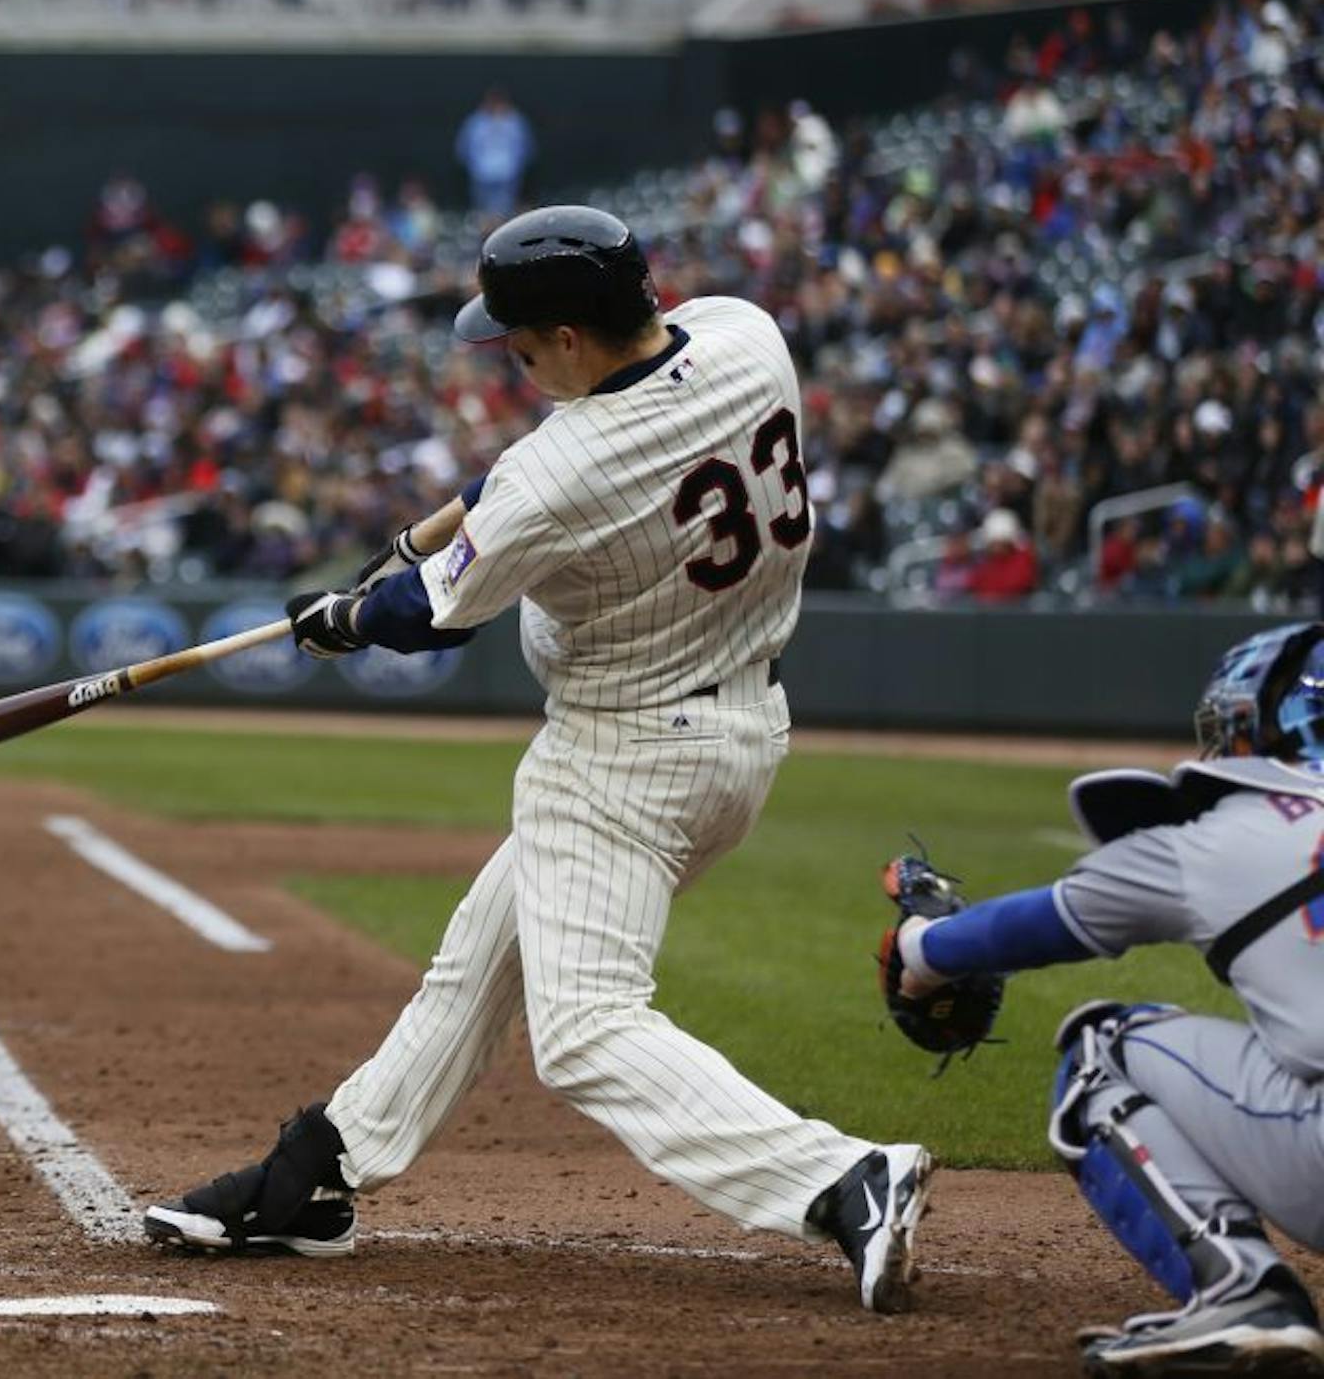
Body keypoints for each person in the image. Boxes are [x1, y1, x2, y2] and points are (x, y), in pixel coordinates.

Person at [144, 205, 933, 1314]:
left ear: (567, 336)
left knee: (585, 1030)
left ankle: (839, 1178)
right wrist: (430, 533)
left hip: (620, 756)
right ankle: (320, 1168)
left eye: (518, 342)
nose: (509, 358)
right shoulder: (747, 335)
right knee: (479, 965)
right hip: (742, 735)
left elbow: (430, 616)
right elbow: (539, 471)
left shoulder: (558, 472)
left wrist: (341, 618)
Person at [882, 623, 1324, 1376]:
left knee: (1101, 1049)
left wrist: (920, 950)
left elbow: (1038, 925)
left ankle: (1242, 1290)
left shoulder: (1220, 838)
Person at [454, 88, 535, 219]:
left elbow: (526, 147)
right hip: (482, 175)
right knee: (483, 212)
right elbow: (464, 148)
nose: (497, 107)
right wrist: (474, 168)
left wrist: (515, 167)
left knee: (504, 210)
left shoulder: (515, 122)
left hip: (507, 174)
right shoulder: (476, 123)